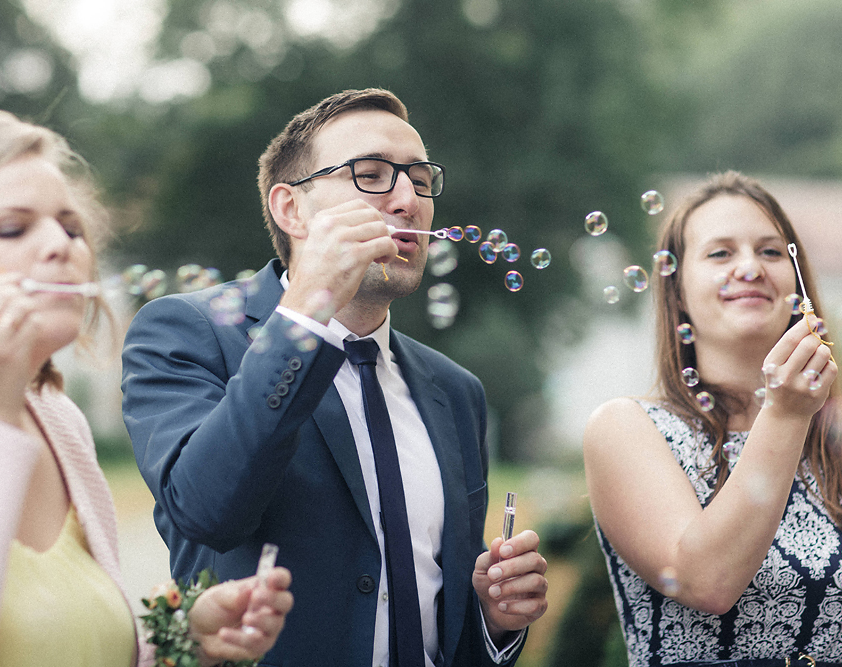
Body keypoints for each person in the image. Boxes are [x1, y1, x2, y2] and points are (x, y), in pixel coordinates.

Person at [120, 88, 549, 667]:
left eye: (420, 180)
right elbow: (206, 513)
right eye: (371, 175)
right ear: (290, 209)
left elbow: (444, 630)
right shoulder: (185, 333)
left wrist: (494, 620)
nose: (407, 199)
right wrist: (303, 315)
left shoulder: (455, 391)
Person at [0, 110, 294, 667]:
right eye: (12, 227)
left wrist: (184, 639)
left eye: (71, 226)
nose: (60, 245)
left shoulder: (57, 419)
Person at [583, 171, 842, 667]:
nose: (750, 267)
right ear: (677, 291)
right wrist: (786, 413)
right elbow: (707, 581)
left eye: (771, 252)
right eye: (720, 253)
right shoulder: (628, 429)